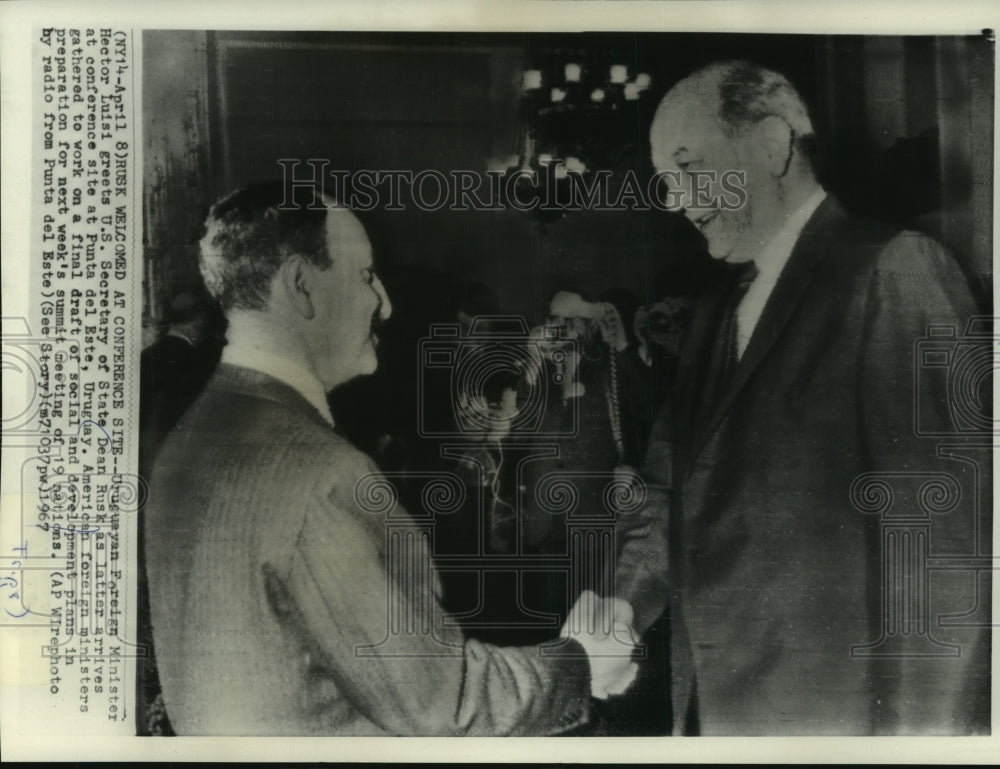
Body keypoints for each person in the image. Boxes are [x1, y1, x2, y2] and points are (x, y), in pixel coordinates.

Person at [143, 181, 637, 735]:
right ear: (302, 285)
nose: (385, 302)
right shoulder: (325, 473)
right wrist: (582, 664)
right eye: (365, 276)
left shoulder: (190, 437)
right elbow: (444, 705)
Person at [613, 61, 990, 735]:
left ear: (771, 145)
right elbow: (669, 490)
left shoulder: (894, 269)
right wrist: (620, 610)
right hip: (718, 718)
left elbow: (944, 560)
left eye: (688, 167)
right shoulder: (713, 314)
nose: (677, 201)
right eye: (666, 181)